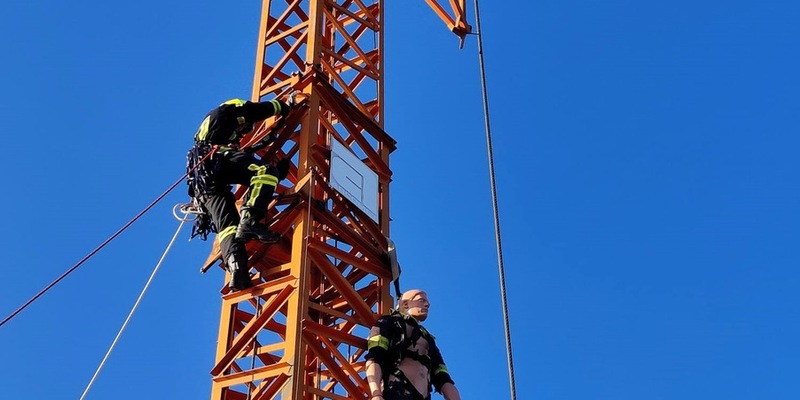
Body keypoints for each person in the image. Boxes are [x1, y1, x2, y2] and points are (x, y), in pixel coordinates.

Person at [186, 97, 292, 291]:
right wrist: (280, 107)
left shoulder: (214, 129)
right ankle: (250, 222)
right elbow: (251, 110)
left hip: (204, 184)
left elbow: (243, 160)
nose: (243, 132)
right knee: (265, 172)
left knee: (227, 227)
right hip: (214, 162)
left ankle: (237, 269)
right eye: (243, 128)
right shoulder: (227, 111)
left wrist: (279, 172)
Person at [365, 289, 462, 400]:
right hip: (397, 390)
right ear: (406, 304)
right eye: (421, 301)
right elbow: (375, 357)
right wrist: (376, 394)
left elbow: (443, 378)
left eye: (428, 303)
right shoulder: (389, 323)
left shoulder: (427, 338)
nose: (426, 305)